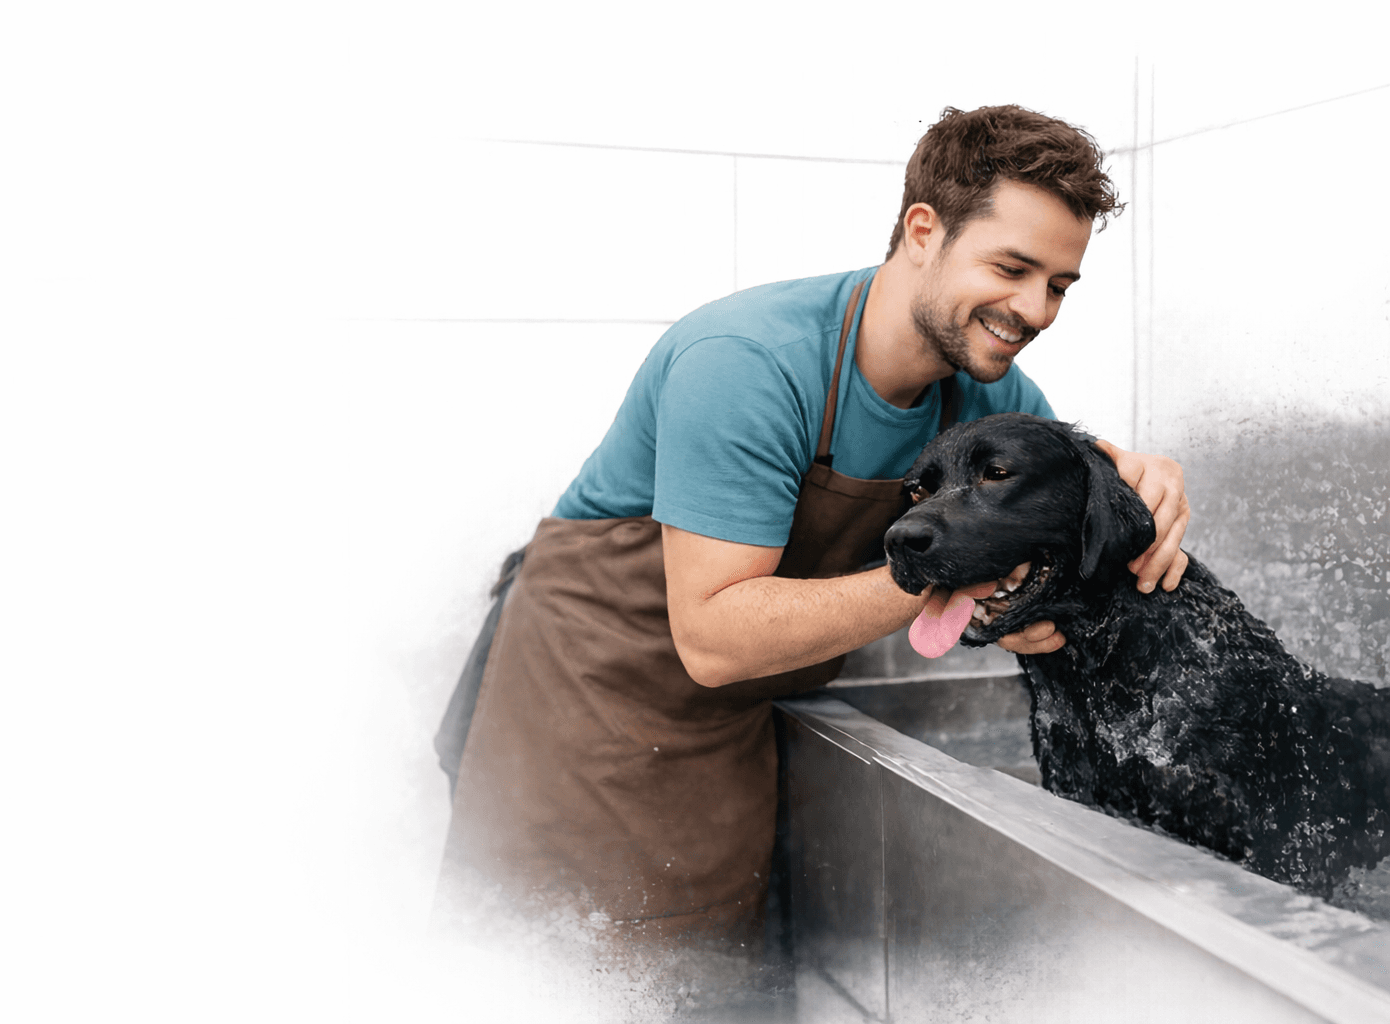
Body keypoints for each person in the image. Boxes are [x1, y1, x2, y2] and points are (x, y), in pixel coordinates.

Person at [432, 105, 1190, 1001]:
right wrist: (951, 575)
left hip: (736, 721)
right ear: (922, 231)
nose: (1034, 310)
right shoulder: (748, 362)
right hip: (591, 702)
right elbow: (714, 636)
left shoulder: (989, 399)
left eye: (1060, 285)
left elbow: (1040, 536)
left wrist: (1126, 496)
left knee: (713, 989)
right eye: (1011, 268)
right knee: (565, 988)